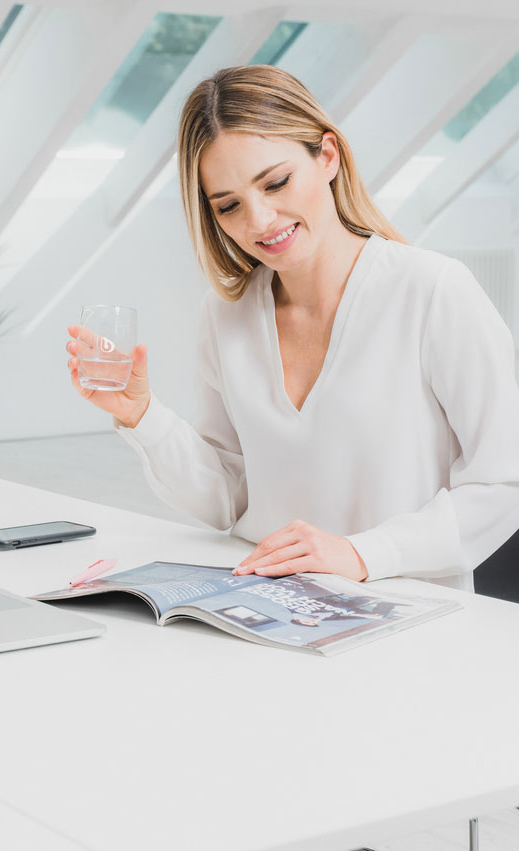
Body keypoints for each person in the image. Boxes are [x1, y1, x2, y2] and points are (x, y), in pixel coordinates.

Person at [65, 65, 519, 592]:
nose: (259, 221)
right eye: (229, 205)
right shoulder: (225, 317)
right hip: (266, 608)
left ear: (327, 156)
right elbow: (228, 499)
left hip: (404, 616)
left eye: (276, 182)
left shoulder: (433, 291)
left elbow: (504, 483)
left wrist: (361, 553)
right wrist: (141, 415)